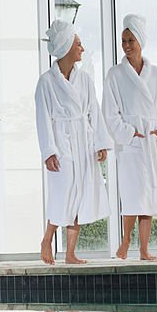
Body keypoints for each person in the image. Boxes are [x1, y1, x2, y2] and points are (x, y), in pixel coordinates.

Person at [102, 15, 157, 260]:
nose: (126, 45)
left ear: (141, 41)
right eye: (123, 40)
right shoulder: (115, 74)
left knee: (149, 197)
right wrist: (128, 133)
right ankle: (125, 242)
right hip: (132, 143)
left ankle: (145, 249)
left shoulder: (156, 74)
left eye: (130, 40)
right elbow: (109, 112)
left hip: (151, 142)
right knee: (133, 195)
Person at [35, 20, 111, 265]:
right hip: (61, 142)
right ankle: (47, 238)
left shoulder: (85, 79)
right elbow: (43, 118)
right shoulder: (46, 82)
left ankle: (70, 253)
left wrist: (100, 142)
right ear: (67, 46)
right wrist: (49, 151)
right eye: (78, 44)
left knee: (80, 194)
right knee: (63, 192)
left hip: (83, 142)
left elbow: (94, 112)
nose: (82, 48)